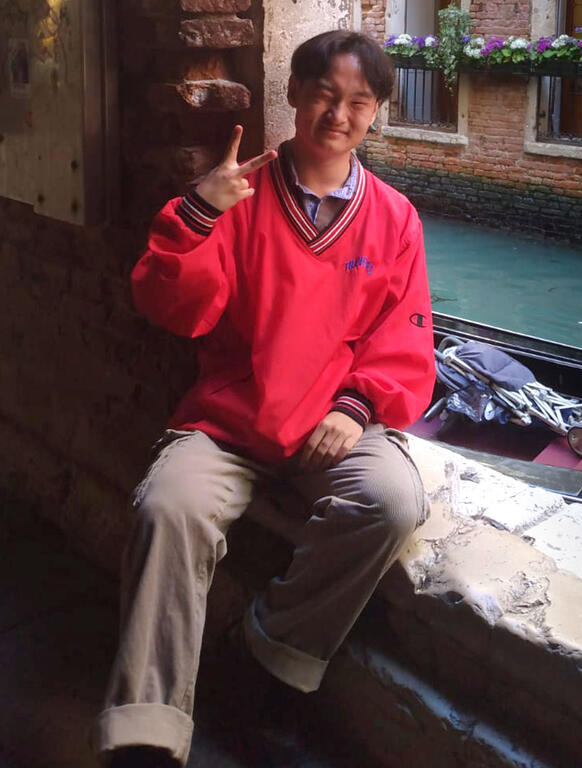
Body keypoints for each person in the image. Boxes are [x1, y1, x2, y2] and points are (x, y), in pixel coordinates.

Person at [92, 30, 435, 768]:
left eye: (358, 103)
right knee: (166, 508)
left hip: (330, 421)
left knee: (393, 501)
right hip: (229, 417)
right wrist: (201, 213)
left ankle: (269, 664)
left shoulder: (395, 218)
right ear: (294, 94)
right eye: (323, 94)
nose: (338, 115)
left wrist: (355, 408)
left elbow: (405, 339)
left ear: (375, 115)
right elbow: (170, 307)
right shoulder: (240, 196)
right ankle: (147, 730)